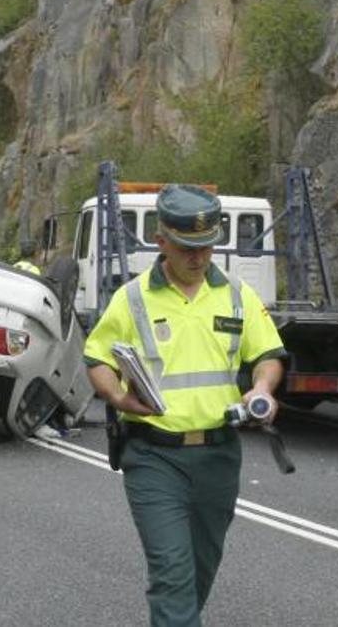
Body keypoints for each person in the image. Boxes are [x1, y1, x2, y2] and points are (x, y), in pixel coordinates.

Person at [83, 184, 286, 627]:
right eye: (186, 247)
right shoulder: (132, 298)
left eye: (207, 247)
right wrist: (118, 396)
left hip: (218, 457)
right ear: (161, 242)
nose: (198, 257)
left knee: (199, 571)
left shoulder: (236, 294)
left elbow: (268, 355)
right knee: (172, 574)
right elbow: (97, 356)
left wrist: (262, 389)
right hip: (154, 456)